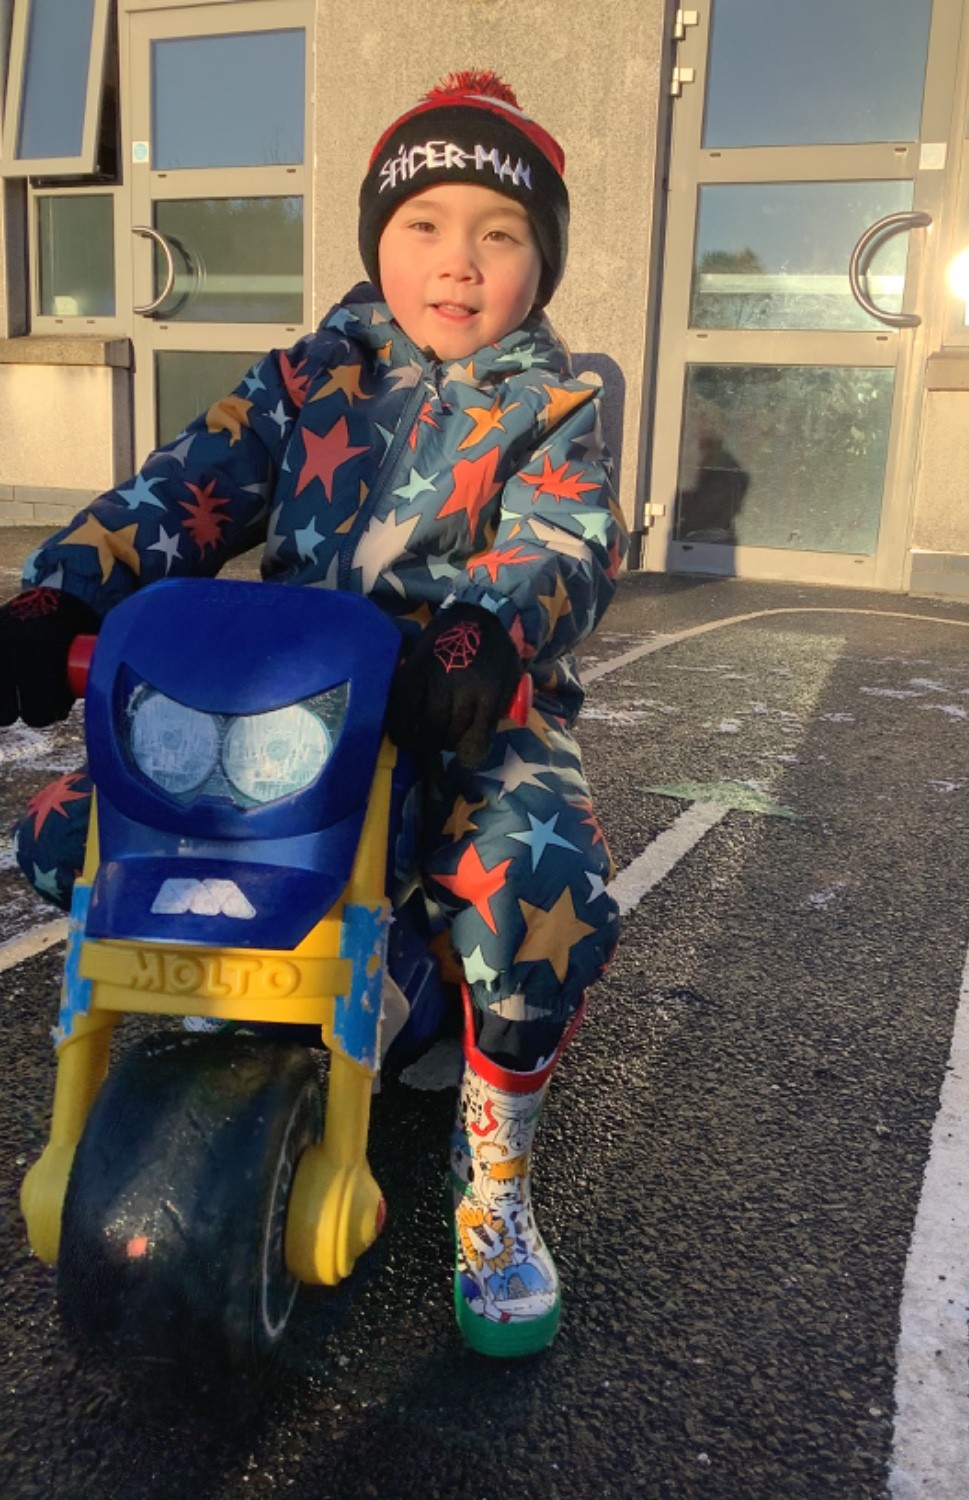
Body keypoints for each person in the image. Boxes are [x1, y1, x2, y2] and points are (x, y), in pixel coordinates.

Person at [0, 70, 624, 1359]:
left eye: (500, 235)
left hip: (459, 697)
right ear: (378, 239)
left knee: (535, 882)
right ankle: (253, 1004)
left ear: (542, 262)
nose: (458, 263)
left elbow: (567, 539)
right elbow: (185, 485)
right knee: (76, 831)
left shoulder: (555, 405)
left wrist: (486, 627)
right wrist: (62, 594)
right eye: (424, 226)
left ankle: (494, 1184)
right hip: (287, 698)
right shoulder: (307, 377)